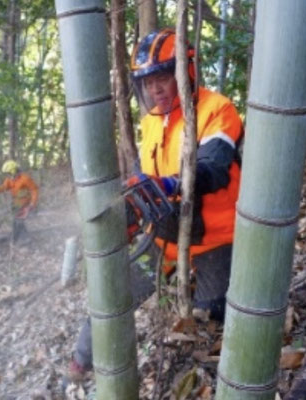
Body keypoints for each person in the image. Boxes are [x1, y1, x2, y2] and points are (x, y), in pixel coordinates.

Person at [68, 28, 243, 379]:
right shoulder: (150, 124)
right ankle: (80, 363)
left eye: (163, 78)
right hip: (163, 234)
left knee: (212, 321)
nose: (155, 89)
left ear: (186, 73)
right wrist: (133, 203)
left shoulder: (216, 110)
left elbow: (214, 168)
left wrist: (171, 184)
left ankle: (201, 378)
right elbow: (142, 174)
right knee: (114, 294)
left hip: (214, 239)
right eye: (148, 82)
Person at [0, 160, 39, 241]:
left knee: (19, 221)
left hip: (26, 203)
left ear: (13, 171)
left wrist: (32, 204)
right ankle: (18, 237)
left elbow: (34, 190)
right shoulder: (9, 180)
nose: (7, 176)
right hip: (16, 203)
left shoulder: (25, 179)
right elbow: (4, 187)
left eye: (8, 173)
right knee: (15, 221)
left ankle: (22, 239)